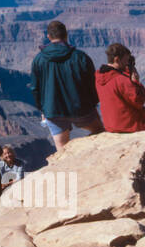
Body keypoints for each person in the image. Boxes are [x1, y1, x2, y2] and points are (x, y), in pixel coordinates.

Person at [31, 20, 102, 151]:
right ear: (66, 35)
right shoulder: (80, 57)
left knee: (61, 149)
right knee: (100, 132)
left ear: (48, 37)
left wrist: (42, 109)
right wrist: (93, 104)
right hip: (80, 108)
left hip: (52, 110)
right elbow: (92, 84)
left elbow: (35, 88)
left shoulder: (38, 59)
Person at [95, 43, 145, 133]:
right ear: (117, 59)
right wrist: (136, 82)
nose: (127, 63)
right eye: (125, 60)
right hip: (130, 125)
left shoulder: (99, 76)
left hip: (110, 125)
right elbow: (139, 102)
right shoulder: (121, 80)